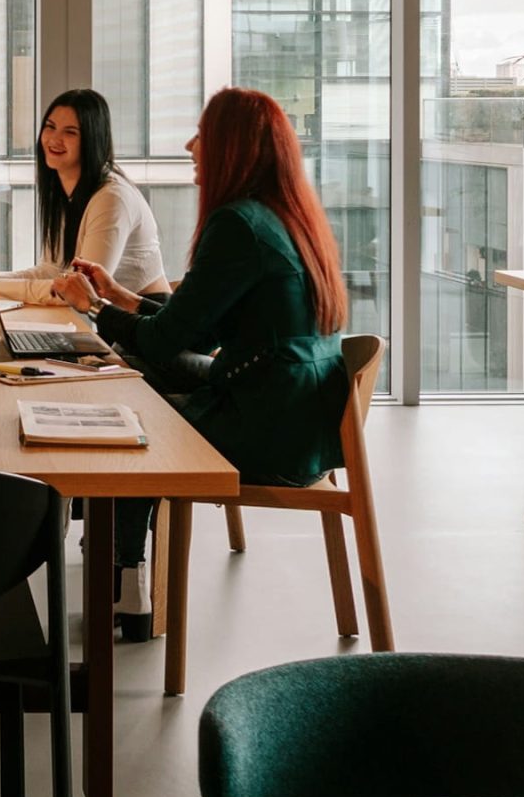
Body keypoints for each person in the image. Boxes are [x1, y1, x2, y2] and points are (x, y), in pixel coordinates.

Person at [54, 87, 350, 643]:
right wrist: (119, 296)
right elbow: (201, 326)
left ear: (232, 148)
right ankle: (120, 559)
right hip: (294, 410)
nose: (191, 145)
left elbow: (170, 341)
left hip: (268, 426)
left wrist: (90, 306)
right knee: (135, 373)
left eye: (202, 134)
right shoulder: (280, 216)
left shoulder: (237, 224)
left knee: (126, 421)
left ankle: (125, 577)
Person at [0, 88, 169, 308]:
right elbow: (51, 271)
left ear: (92, 140)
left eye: (70, 132)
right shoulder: (65, 191)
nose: (54, 139)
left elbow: (83, 291)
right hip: (113, 320)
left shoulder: (112, 199)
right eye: (50, 127)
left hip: (145, 323)